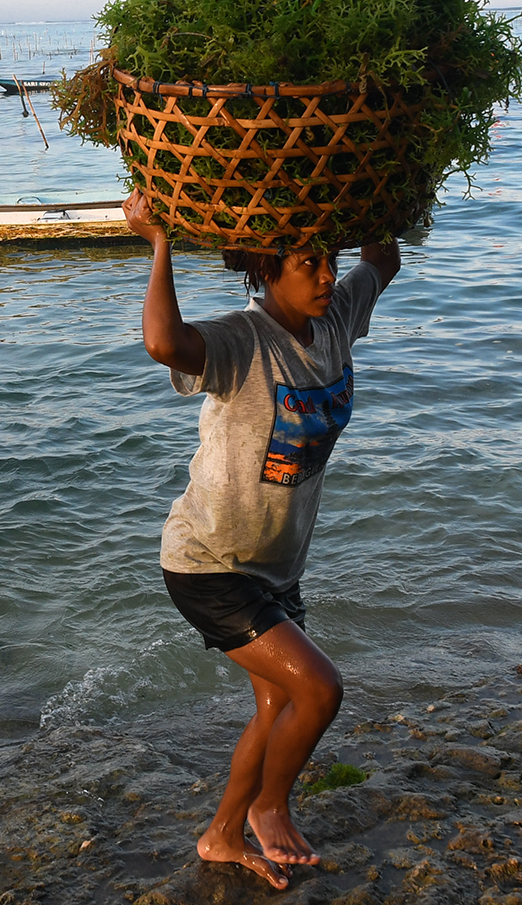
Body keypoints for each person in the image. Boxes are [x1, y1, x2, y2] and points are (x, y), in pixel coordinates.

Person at [124, 190, 401, 891]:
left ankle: (221, 834)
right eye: (307, 263)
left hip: (276, 567)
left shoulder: (335, 320)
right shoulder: (241, 341)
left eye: (328, 260)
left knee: (278, 703)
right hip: (208, 563)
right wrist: (159, 241)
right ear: (267, 272)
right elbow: (163, 341)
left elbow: (384, 257)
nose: (325, 276)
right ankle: (268, 804)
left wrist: (380, 187)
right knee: (320, 688)